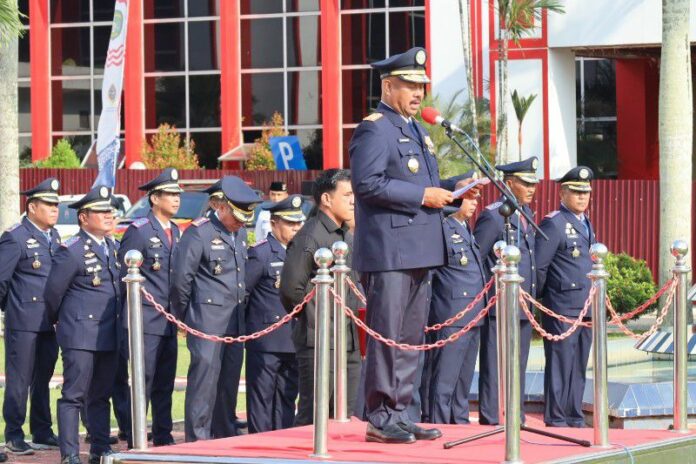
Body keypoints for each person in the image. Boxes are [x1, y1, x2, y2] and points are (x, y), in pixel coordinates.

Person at [349, 47, 471, 444]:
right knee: (388, 335)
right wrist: (424, 197)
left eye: (421, 86)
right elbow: (367, 184)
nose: (418, 93)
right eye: (410, 85)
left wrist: (455, 189)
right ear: (388, 86)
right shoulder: (375, 128)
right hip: (390, 252)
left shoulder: (416, 129)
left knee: (410, 337)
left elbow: (421, 185)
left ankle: (403, 410)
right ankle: (380, 416)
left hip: (420, 249)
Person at [171, 176, 260, 442]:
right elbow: (181, 282)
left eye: (246, 216)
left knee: (229, 381)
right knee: (204, 382)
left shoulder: (240, 232)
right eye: (237, 215)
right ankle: (197, 438)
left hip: (235, 320)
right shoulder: (199, 232)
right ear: (220, 207)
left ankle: (224, 433)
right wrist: (184, 319)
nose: (242, 221)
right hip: (206, 320)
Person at [45, 185, 122, 464]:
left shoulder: (113, 247)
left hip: (108, 333)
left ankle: (100, 448)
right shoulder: (72, 250)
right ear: (84, 217)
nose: (108, 215)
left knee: (101, 395)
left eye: (109, 210)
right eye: (101, 211)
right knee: (74, 396)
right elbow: (53, 293)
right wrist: (62, 323)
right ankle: (70, 454)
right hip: (80, 334)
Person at [279, 169, 362, 426]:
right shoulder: (310, 235)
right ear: (326, 199)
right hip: (319, 340)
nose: (352, 201)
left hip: (347, 338)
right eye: (347, 194)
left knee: (343, 414)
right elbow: (291, 289)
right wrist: (315, 319)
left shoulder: (345, 235)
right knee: (314, 415)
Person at [117, 168, 183, 446]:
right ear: (154, 199)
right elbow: (125, 275)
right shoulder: (139, 231)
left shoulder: (177, 230)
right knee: (143, 381)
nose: (176, 199)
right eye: (170, 194)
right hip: (145, 318)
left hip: (168, 319)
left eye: (178, 194)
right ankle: (135, 435)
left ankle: (163, 433)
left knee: (165, 382)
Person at [473, 156, 539, 425]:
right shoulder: (494, 215)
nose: (531, 189)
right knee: (494, 364)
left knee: (519, 364)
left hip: (522, 303)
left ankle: (516, 415)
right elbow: (478, 256)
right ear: (509, 184)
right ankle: (491, 417)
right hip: (498, 304)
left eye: (533, 184)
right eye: (525, 183)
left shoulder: (526, 214)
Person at [0, 178, 61, 457]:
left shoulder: (55, 235)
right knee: (19, 378)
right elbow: (1, 280)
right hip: (23, 320)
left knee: (44, 377)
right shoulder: (15, 236)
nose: (54, 209)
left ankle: (42, 429)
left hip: (49, 321)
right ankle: (14, 433)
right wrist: (11, 311)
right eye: (49, 204)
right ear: (32, 206)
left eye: (56, 204)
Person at [535, 166, 596, 428]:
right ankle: (557, 416)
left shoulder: (585, 222)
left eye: (586, 193)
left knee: (579, 364)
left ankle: (574, 414)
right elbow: (539, 266)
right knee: (560, 364)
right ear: (562, 192)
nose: (582, 197)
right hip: (561, 306)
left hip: (585, 305)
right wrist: (540, 303)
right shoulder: (555, 222)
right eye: (576, 192)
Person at [427, 174, 488, 424]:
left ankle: (459, 423)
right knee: (444, 380)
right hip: (451, 315)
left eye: (475, 198)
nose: (473, 203)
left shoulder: (464, 228)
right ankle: (440, 424)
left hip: (472, 314)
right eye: (467, 197)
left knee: (463, 380)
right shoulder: (443, 228)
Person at [245, 195, 305, 433]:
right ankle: (259, 445)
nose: (296, 228)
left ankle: (281, 441)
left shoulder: (301, 254)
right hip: (266, 340)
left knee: (287, 397)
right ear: (274, 224)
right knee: (262, 397)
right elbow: (244, 294)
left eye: (298, 223)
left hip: (293, 338)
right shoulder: (261, 253)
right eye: (290, 223)